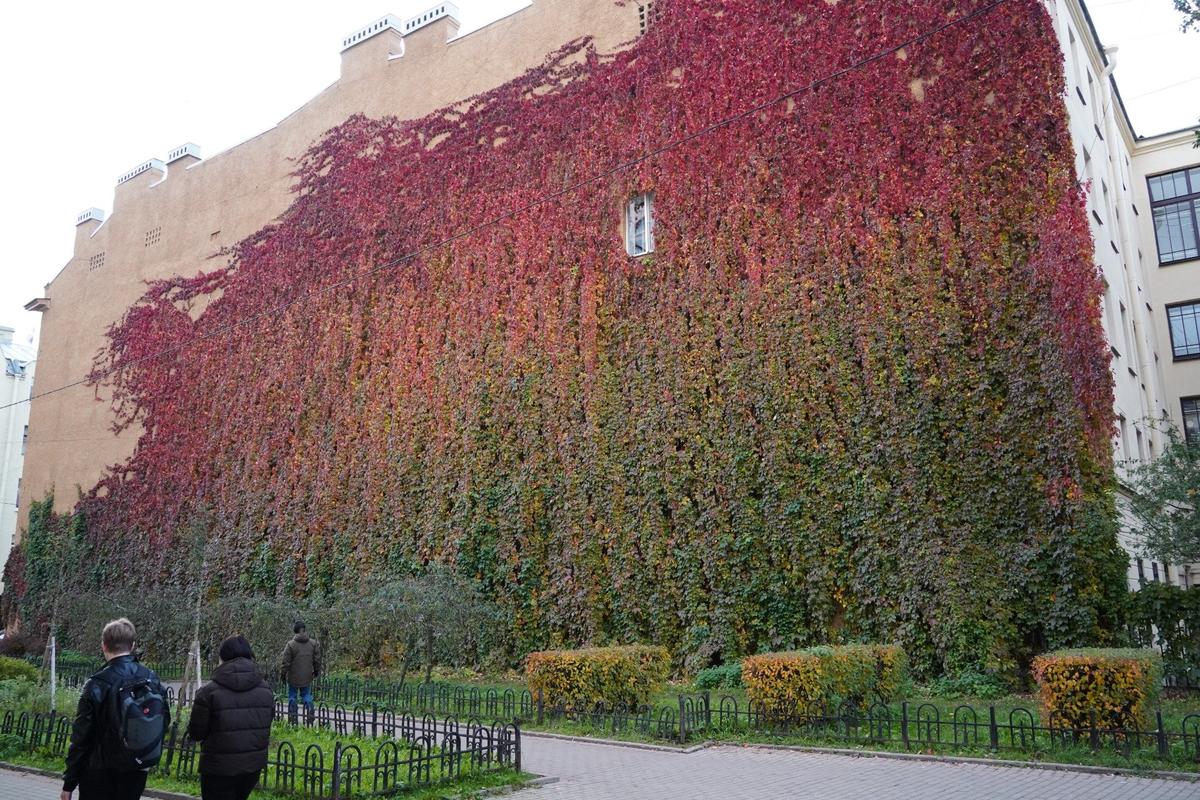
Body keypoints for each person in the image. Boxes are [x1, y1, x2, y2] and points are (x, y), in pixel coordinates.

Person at [61, 618, 169, 800]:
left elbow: (81, 737)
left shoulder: (96, 684)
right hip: (136, 767)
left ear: (104, 645)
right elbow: (163, 719)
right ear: (133, 645)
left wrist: (69, 782)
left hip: (99, 770)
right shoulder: (151, 678)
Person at [187, 635, 275, 800]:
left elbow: (196, 733)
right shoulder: (266, 690)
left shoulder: (208, 693)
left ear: (222, 658)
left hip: (218, 768)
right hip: (252, 766)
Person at [280, 621, 320, 723]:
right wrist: (316, 671)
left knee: (292, 695)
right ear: (304, 630)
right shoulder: (313, 643)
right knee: (306, 694)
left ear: (295, 631)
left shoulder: (290, 645)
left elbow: (285, 662)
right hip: (307, 675)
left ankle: (293, 716)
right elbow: (317, 660)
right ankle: (310, 710)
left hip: (293, 676)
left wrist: (283, 674)